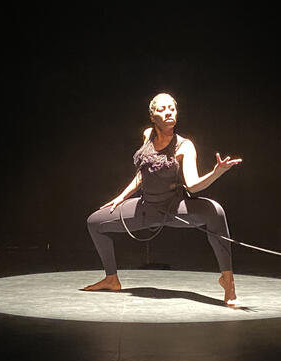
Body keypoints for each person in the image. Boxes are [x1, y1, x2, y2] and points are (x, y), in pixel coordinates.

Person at [84, 93, 243, 305]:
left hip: (174, 209)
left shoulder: (184, 146)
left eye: (172, 108)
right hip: (146, 208)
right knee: (94, 223)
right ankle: (111, 279)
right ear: (152, 116)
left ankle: (228, 280)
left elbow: (193, 185)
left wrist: (217, 172)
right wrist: (121, 197)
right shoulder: (147, 135)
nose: (168, 112)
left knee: (216, 211)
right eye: (162, 109)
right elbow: (143, 172)